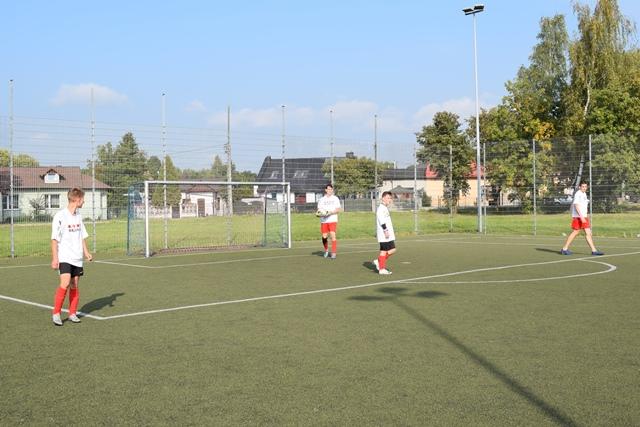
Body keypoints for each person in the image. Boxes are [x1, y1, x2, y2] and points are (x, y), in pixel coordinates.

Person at [51, 188, 93, 326]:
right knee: (65, 283)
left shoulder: (78, 216)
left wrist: (86, 252)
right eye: (83, 199)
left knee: (74, 284)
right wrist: (55, 258)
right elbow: (54, 239)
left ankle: (72, 313)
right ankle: (56, 313)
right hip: (65, 257)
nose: (84, 201)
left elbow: (81, 236)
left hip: (77, 257)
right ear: (77, 199)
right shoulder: (60, 216)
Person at [560, 181, 604, 256]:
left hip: (583, 217)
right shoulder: (578, 194)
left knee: (585, 232)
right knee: (578, 232)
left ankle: (594, 250)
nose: (584, 188)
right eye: (583, 186)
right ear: (580, 187)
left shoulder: (584, 194)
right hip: (579, 217)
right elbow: (576, 205)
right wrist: (581, 217)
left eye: (585, 186)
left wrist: (585, 216)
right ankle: (564, 249)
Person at [373, 191, 396, 275]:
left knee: (392, 250)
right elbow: (381, 221)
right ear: (383, 198)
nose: (389, 200)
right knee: (384, 251)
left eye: (390, 198)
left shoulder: (385, 208)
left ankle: (379, 261)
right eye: (388, 198)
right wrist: (385, 231)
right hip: (384, 234)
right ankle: (381, 268)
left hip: (388, 234)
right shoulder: (380, 209)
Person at [317, 183, 342, 259]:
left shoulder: (335, 198)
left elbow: (338, 209)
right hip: (324, 221)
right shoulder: (321, 199)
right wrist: (319, 214)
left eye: (331, 189)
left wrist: (330, 213)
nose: (330, 190)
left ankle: (333, 253)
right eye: (328, 189)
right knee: (324, 237)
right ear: (325, 190)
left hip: (332, 220)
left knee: (332, 235)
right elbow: (319, 210)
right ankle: (326, 250)